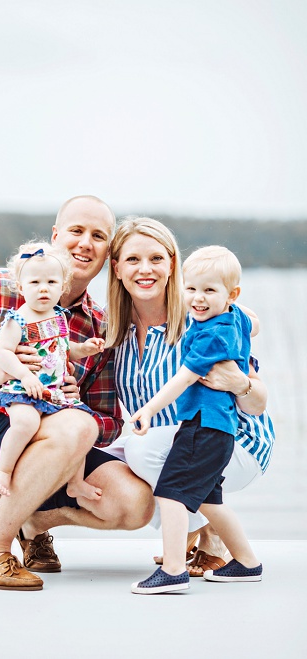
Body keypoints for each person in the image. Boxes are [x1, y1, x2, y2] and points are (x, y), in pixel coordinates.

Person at [0, 195, 155, 592]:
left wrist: (75, 399)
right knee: (72, 426)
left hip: (56, 449)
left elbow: (108, 425)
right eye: (76, 231)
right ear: (56, 235)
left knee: (135, 504)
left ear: (108, 253)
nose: (84, 243)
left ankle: (33, 521)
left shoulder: (98, 327)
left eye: (98, 236)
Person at [102, 217, 274, 577]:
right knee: (106, 460)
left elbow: (257, 401)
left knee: (142, 449)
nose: (145, 269)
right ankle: (225, 547)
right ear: (116, 268)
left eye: (156, 259)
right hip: (181, 439)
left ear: (172, 265)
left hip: (227, 437)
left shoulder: (202, 317)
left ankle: (194, 545)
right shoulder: (114, 328)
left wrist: (238, 381)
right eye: (133, 259)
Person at [128, 245, 262, 593]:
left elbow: (184, 377)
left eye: (209, 291)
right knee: (209, 500)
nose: (198, 299)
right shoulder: (235, 317)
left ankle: (173, 571)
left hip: (204, 425)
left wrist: (149, 409)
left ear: (231, 294)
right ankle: (248, 562)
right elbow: (255, 323)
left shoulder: (210, 334)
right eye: (192, 289)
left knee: (172, 492)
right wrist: (231, 307)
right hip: (217, 428)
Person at [0, 241, 104, 502]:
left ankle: (75, 482)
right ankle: (3, 470)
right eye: (34, 283)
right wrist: (25, 375)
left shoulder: (58, 316)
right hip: (23, 390)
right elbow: (2, 352)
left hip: (54, 392)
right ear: (20, 287)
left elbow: (63, 349)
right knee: (25, 422)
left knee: (83, 425)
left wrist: (84, 349)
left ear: (62, 286)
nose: (43, 289)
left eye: (51, 283)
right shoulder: (17, 319)